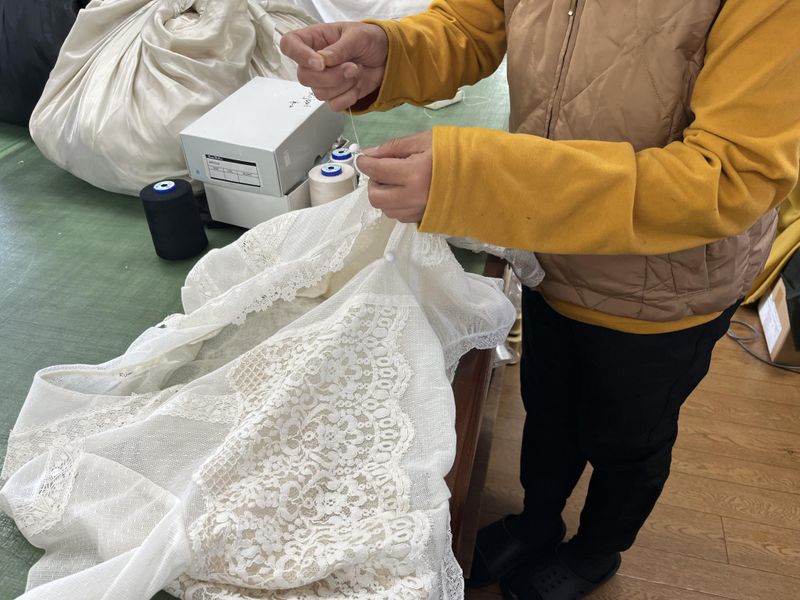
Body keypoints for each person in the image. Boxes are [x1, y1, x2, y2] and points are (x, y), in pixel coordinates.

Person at [280, 1, 800, 598]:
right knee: (549, 412)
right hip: (550, 253)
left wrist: (480, 179)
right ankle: (536, 522)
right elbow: (471, 22)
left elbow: (730, 176)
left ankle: (596, 550)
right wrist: (392, 52)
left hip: (665, 294)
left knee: (628, 442)